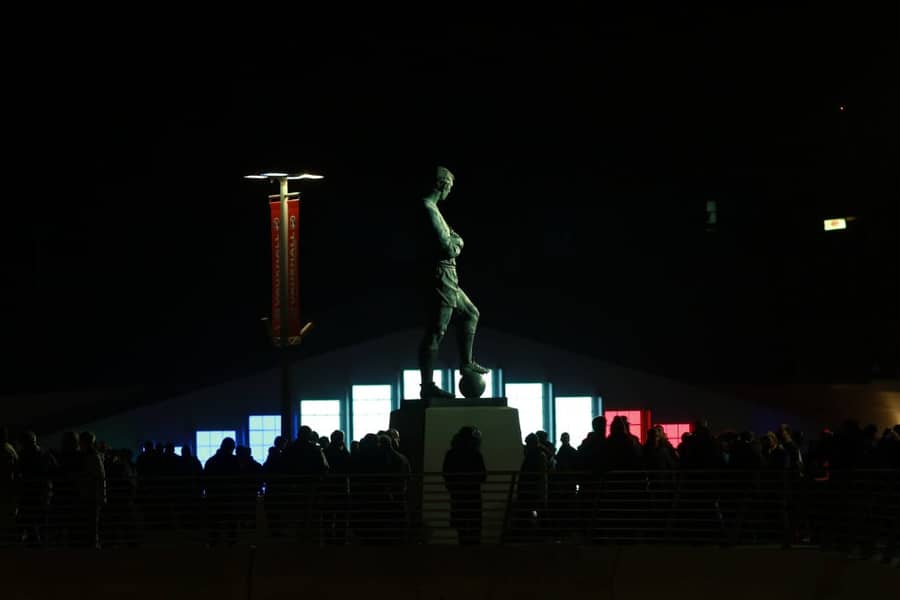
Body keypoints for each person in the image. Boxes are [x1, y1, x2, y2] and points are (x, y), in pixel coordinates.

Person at [417, 166, 488, 400]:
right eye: (449, 187)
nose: (450, 191)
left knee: (471, 313)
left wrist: (454, 241)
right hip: (441, 275)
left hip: (447, 275)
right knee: (436, 330)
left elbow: (450, 240)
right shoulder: (428, 208)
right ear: (443, 184)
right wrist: (458, 243)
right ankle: (427, 385)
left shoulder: (433, 209)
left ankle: (466, 364)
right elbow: (448, 246)